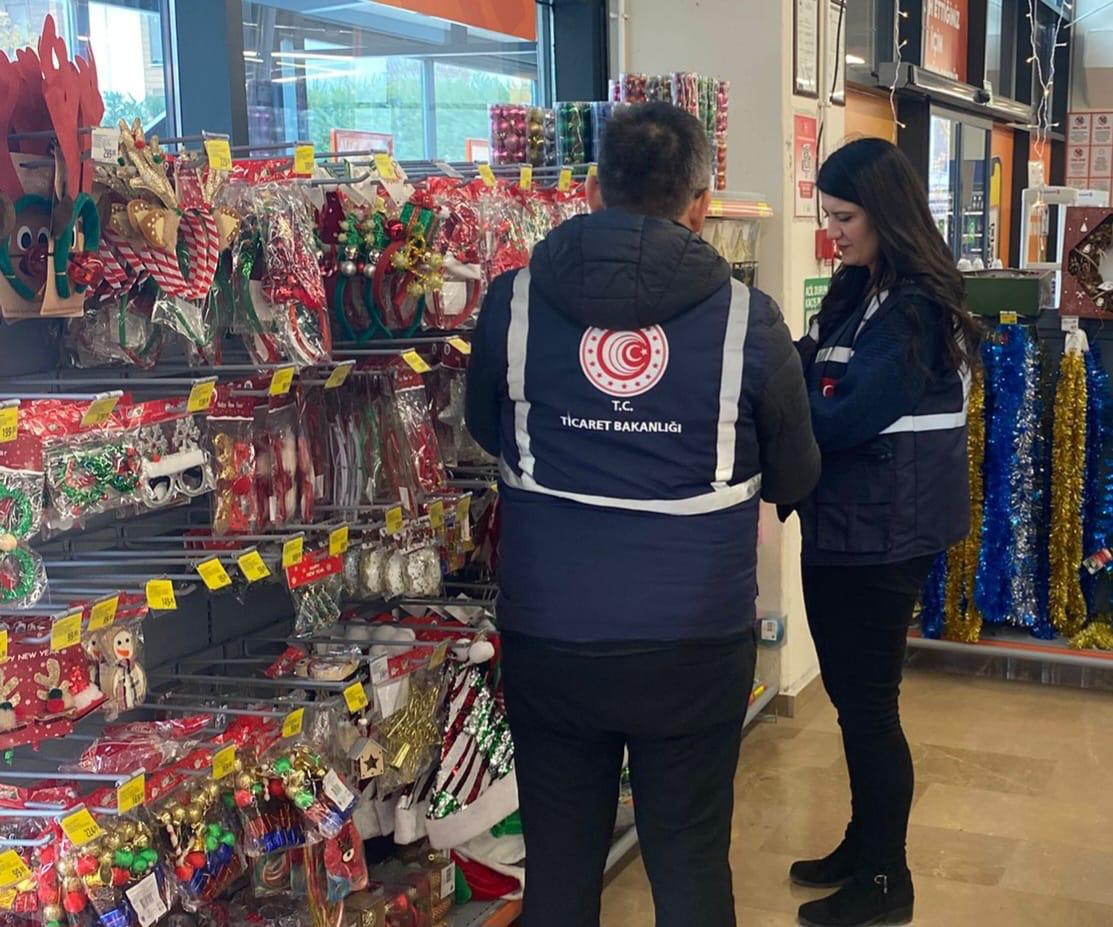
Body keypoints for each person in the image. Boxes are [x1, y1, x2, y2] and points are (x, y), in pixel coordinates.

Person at [465, 103, 820, 927]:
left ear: (591, 190)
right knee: (689, 860)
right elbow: (794, 472)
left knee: (560, 866)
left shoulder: (513, 303)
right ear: (700, 205)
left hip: (550, 634)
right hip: (692, 639)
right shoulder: (747, 320)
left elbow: (488, 426)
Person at [788, 138, 980, 927]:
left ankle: (883, 879)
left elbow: (840, 415)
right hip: (848, 521)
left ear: (884, 212)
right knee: (851, 701)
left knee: (867, 707)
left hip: (882, 531)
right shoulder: (862, 289)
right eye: (827, 216)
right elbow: (811, 369)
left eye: (844, 217)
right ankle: (861, 842)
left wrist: (785, 396)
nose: (832, 231)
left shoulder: (915, 308)